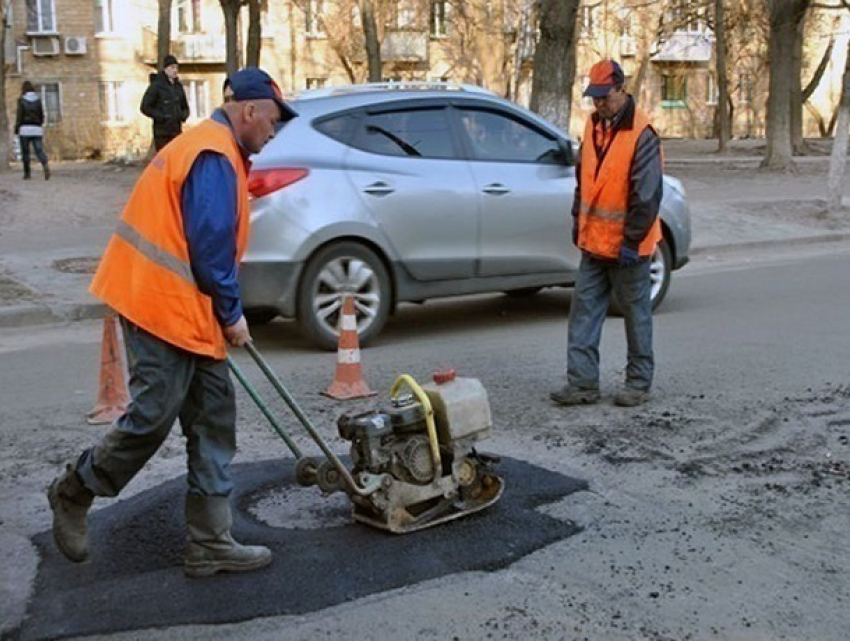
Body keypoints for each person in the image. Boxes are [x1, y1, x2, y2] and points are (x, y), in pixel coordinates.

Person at [47, 67, 298, 578]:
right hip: (158, 305)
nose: (273, 134)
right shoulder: (211, 154)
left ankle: (209, 544)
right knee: (153, 415)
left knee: (212, 422)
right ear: (249, 111)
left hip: (189, 311)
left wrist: (218, 314)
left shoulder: (223, 152)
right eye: (272, 122)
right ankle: (74, 490)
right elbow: (210, 249)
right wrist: (233, 315)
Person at [550, 59, 663, 409]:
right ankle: (582, 384)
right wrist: (577, 223)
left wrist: (630, 241)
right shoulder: (593, 127)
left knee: (636, 315)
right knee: (583, 313)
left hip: (629, 248)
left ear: (621, 89)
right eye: (594, 97)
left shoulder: (642, 133)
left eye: (604, 96)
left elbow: (646, 196)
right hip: (594, 244)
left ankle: (638, 384)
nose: (599, 103)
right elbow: (584, 184)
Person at [140, 54, 190, 151]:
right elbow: (145, 107)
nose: (175, 70)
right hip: (162, 133)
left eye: (176, 67)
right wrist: (161, 116)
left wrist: (183, 115)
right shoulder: (157, 85)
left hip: (176, 131)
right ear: (165, 69)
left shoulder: (178, 87)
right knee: (164, 161)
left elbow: (185, 106)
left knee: (176, 158)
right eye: (172, 67)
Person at [14, 81, 50, 180]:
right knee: (39, 150)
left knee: (25, 152)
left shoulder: (21, 101)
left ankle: (27, 174)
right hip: (37, 129)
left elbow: (19, 116)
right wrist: (40, 124)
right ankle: (44, 163)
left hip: (24, 129)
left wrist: (16, 129)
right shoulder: (38, 101)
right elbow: (42, 115)